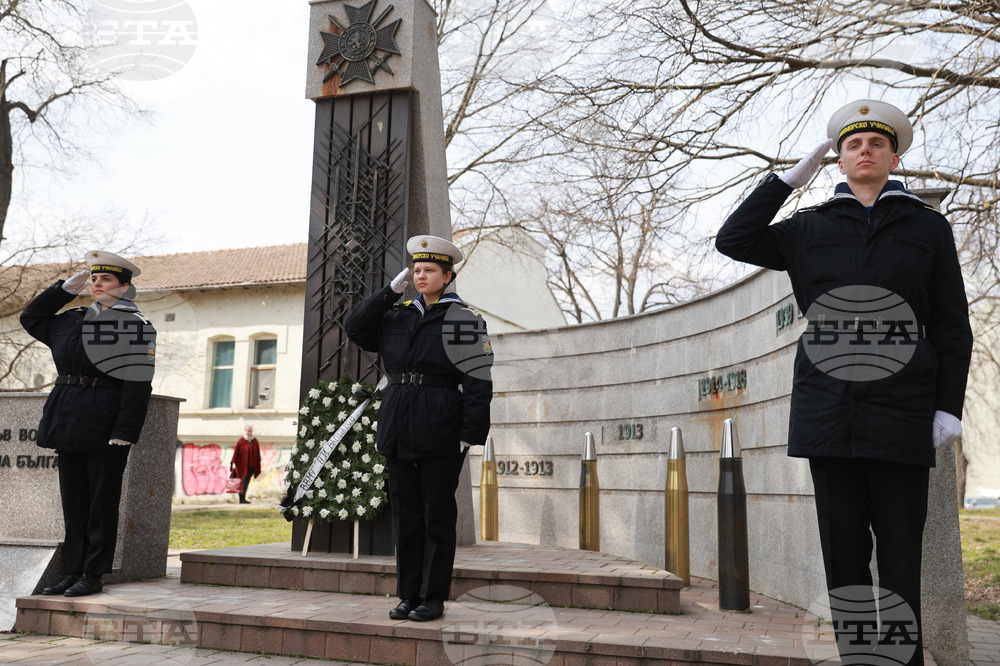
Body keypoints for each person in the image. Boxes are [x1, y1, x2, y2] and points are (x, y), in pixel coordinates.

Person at [716, 100, 972, 665]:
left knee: (902, 556)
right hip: (829, 411)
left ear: (893, 156)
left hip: (904, 409)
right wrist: (787, 180)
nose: (864, 151)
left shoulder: (928, 227)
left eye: (875, 144)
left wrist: (946, 408)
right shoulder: (809, 227)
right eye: (852, 145)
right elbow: (733, 239)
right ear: (838, 160)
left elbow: (953, 324)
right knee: (845, 557)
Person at [345, 235, 493, 622]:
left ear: (447, 277)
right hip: (398, 421)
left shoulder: (462, 319)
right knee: (407, 514)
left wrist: (469, 434)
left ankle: (433, 597)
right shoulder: (398, 313)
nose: (421, 275)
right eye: (417, 270)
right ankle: (408, 594)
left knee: (436, 515)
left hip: (441, 424)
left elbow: (478, 382)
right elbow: (355, 328)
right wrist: (386, 294)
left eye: (430, 270)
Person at [20, 250, 156, 598]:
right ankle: (73, 570)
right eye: (94, 279)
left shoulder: (134, 325)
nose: (97, 283)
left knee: (100, 503)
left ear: (125, 288)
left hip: (104, 423)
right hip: (67, 419)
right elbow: (31, 318)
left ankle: (93, 574)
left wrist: (125, 431)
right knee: (74, 503)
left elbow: (138, 382)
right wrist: (62, 291)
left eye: (106, 279)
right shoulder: (71, 318)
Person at [231, 425, 262, 504]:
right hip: (242, 466)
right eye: (248, 431)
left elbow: (257, 453)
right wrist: (234, 463)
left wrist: (257, 464)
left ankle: (243, 498)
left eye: (250, 431)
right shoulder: (241, 441)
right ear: (245, 431)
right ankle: (241, 499)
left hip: (251, 466)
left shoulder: (254, 441)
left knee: (247, 482)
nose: (249, 433)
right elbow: (236, 452)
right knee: (242, 482)